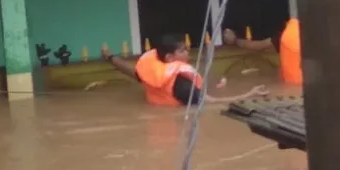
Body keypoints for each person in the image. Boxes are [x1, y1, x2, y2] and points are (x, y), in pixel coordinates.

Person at [222, 18, 340, 85]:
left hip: (302, 89)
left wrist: (234, 40)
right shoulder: (325, 36)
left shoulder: (285, 40)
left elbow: (256, 46)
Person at [101, 34, 269, 106]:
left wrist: (110, 58)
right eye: (182, 50)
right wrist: (250, 94)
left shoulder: (154, 72)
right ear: (169, 58)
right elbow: (210, 103)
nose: (188, 52)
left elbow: (131, 71)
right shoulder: (182, 84)